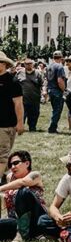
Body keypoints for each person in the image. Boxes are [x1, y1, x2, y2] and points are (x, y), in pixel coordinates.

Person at [0, 150, 47, 242]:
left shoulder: (35, 175)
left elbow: (23, 182)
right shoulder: (10, 178)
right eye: (10, 165)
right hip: (15, 221)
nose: (12, 167)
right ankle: (25, 233)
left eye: (16, 163)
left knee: (23, 191)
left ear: (27, 163)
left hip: (36, 219)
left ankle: (23, 234)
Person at [0, 51, 24, 179]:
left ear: (5, 64)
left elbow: (18, 104)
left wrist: (20, 123)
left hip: (10, 123)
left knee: (5, 152)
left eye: (0, 62)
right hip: (1, 126)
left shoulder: (12, 81)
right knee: (3, 155)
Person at [16, 59, 43, 132]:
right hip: (23, 99)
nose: (29, 65)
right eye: (27, 64)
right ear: (24, 65)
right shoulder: (19, 73)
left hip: (35, 98)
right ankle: (21, 127)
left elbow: (41, 84)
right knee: (22, 114)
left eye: (30, 63)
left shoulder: (38, 73)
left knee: (34, 114)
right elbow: (15, 83)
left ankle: (32, 127)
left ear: (33, 64)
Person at [46, 50, 67, 134]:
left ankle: (53, 126)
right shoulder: (60, 67)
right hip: (57, 91)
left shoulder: (48, 66)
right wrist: (64, 90)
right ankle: (52, 128)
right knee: (57, 110)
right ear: (61, 58)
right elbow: (60, 81)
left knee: (54, 109)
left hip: (50, 89)